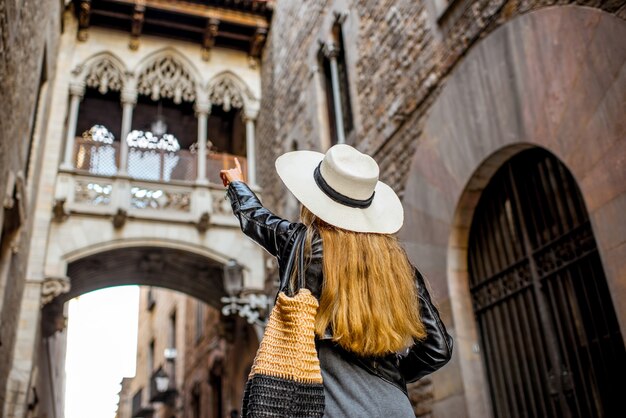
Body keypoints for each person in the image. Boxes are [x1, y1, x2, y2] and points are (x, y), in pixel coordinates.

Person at [220, 144, 453, 417]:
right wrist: (391, 375)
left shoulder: (303, 244)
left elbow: (257, 219)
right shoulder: (398, 265)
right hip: (394, 407)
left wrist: (237, 185)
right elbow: (438, 349)